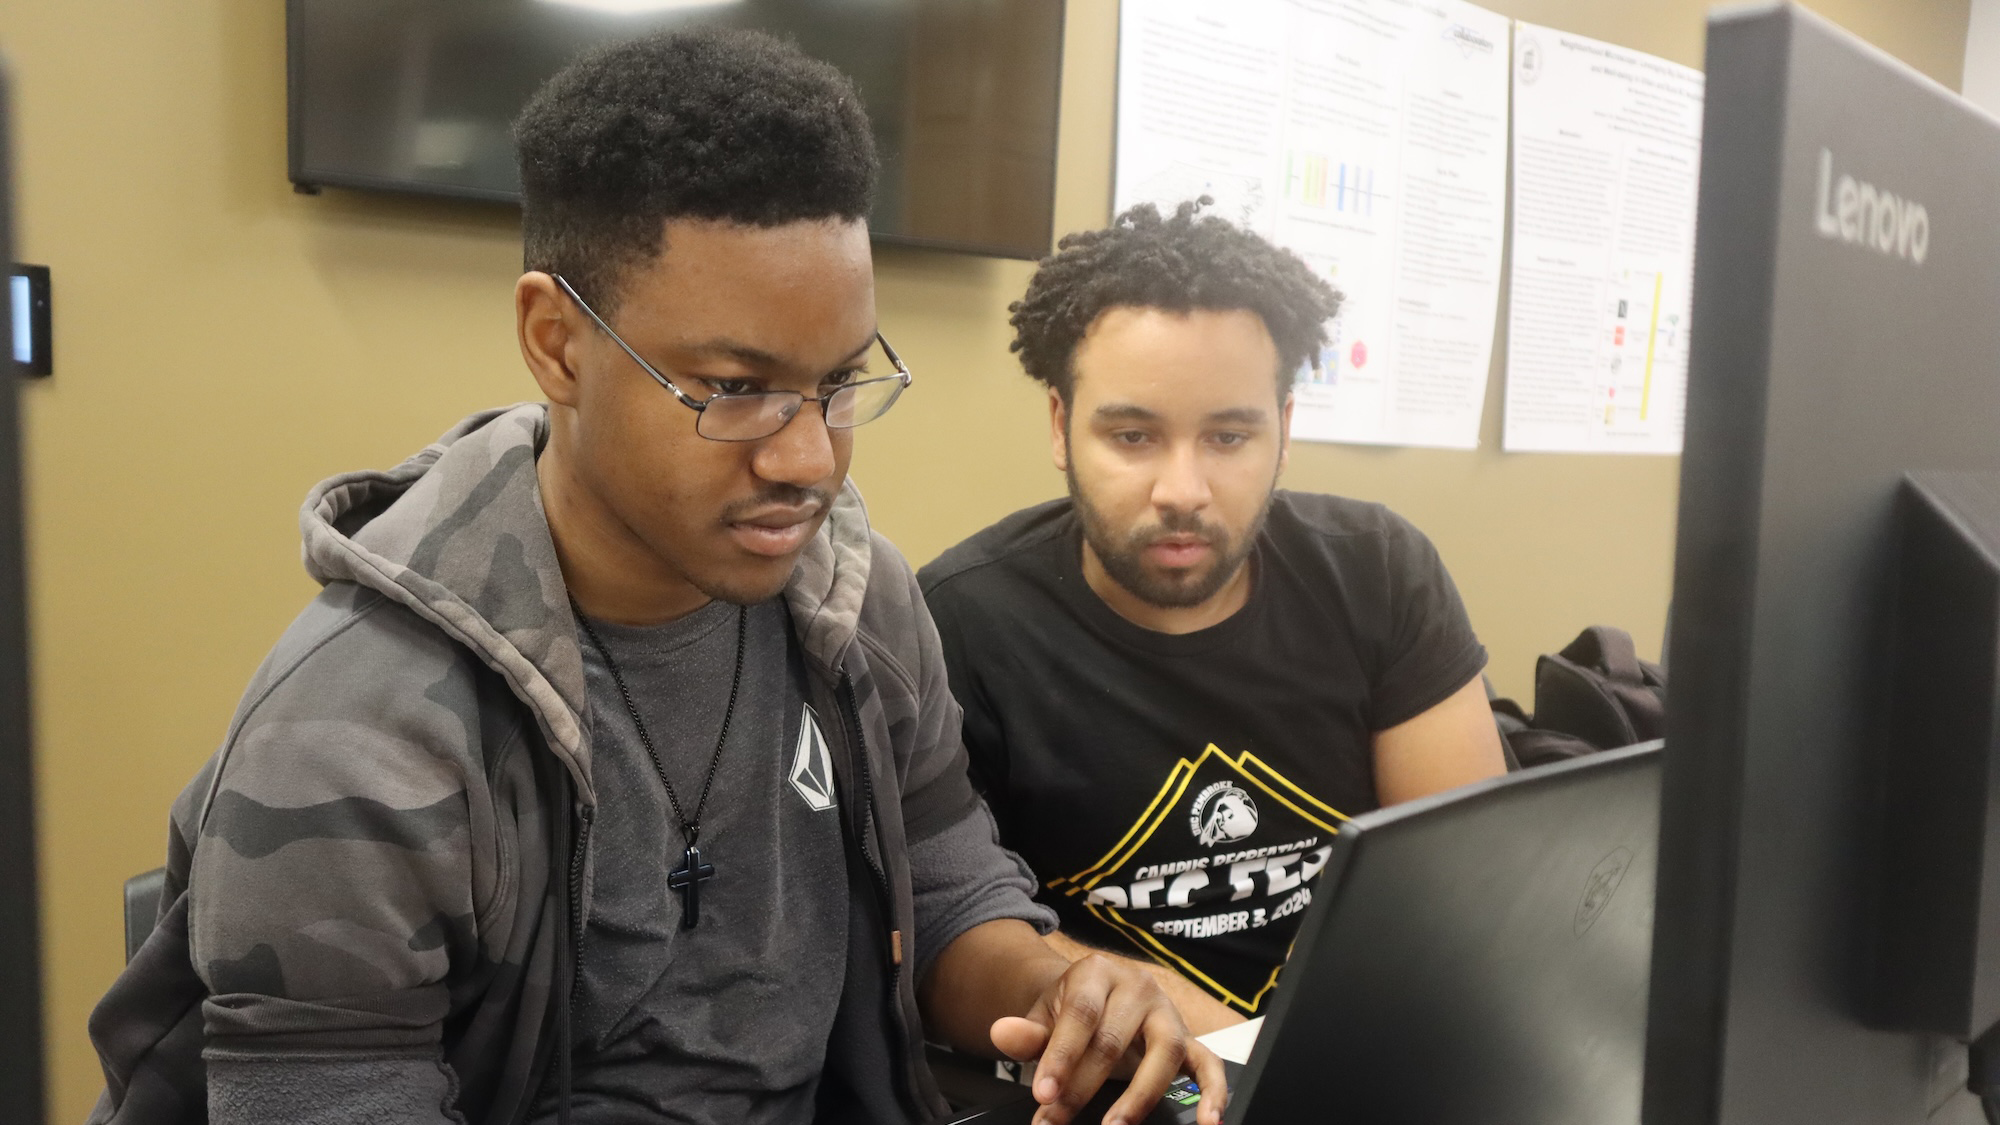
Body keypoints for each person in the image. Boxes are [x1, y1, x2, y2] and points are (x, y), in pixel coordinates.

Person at [85, 30, 1223, 1125]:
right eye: (733, 387)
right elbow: (325, 1097)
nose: (807, 458)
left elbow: (942, 887)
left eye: (837, 382)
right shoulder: (357, 732)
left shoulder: (853, 605)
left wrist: (1055, 988)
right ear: (556, 342)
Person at [918, 200, 1508, 1035]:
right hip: (1118, 1077)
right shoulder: (959, 624)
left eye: (1229, 438)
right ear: (1060, 425)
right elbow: (953, 937)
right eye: (1132, 435)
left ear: (1285, 431)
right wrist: (1204, 1031)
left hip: (1374, 1051)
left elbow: (1474, 889)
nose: (1183, 490)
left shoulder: (1378, 571)